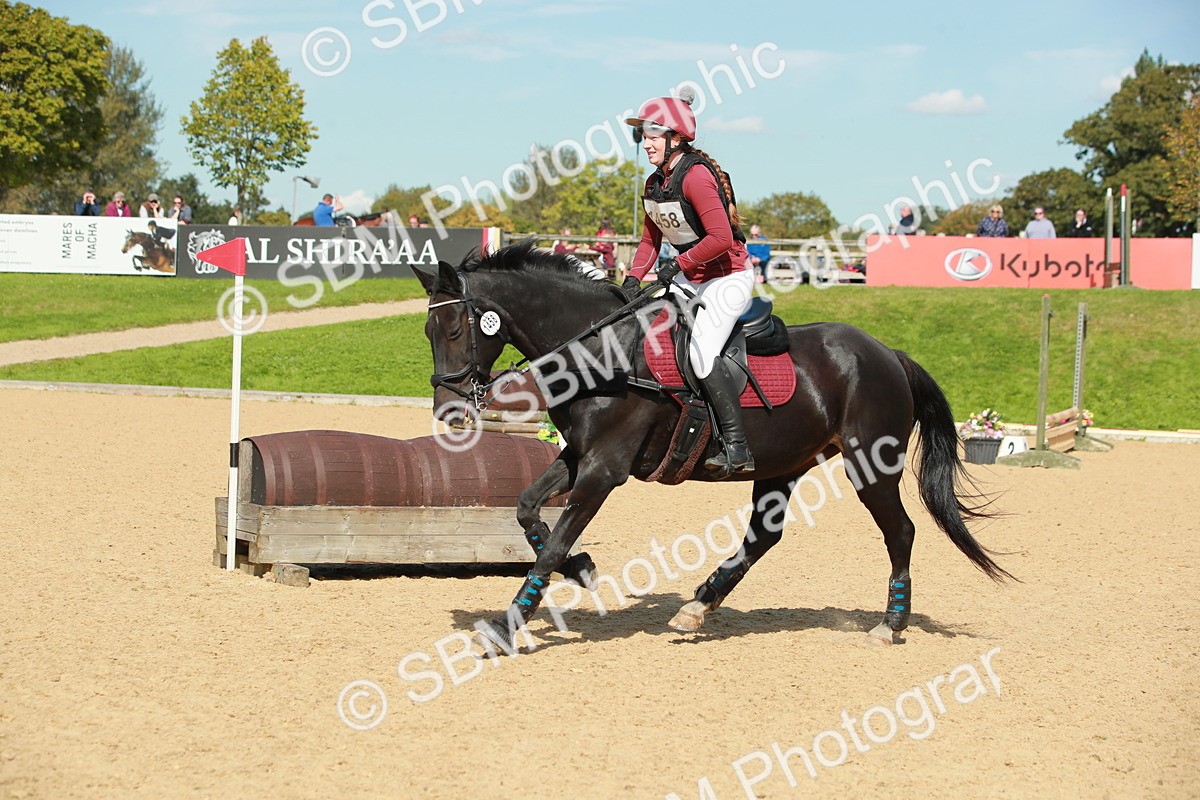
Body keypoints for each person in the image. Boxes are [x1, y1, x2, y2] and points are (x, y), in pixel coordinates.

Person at [622, 90, 755, 476]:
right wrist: (632, 279)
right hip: (689, 277)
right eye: (642, 136)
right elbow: (650, 242)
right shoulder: (654, 185)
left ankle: (736, 447)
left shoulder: (695, 176)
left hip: (727, 278)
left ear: (676, 138)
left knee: (701, 353)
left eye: (652, 135)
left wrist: (676, 265)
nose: (645, 142)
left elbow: (721, 239)